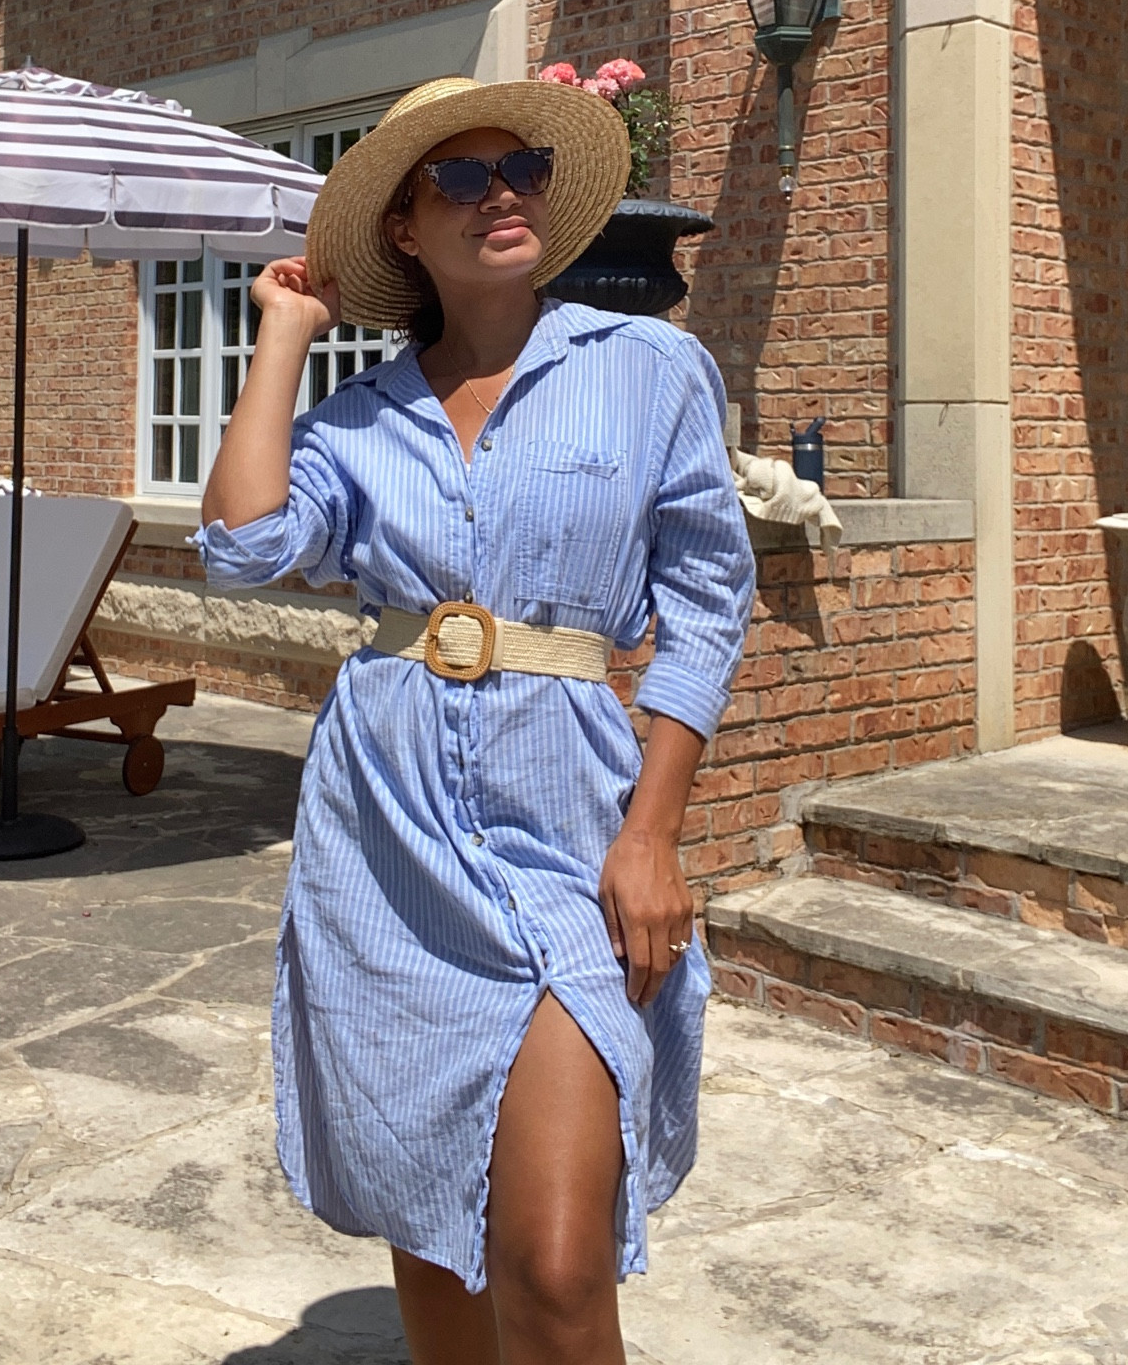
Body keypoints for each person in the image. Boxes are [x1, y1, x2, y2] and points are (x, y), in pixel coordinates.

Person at [198, 74, 754, 1365]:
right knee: (437, 1234)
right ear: (402, 225)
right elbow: (242, 544)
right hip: (386, 846)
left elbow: (711, 604)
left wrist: (653, 836)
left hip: (569, 829)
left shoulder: (650, 369)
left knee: (554, 1268)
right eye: (459, 175)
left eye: (522, 168)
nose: (500, 192)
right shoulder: (357, 425)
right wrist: (283, 331)